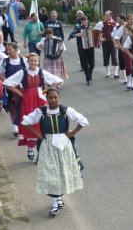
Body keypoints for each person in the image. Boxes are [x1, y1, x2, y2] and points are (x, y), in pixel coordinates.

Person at [22, 88, 88, 216]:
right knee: (49, 173)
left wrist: (72, 132)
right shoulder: (41, 111)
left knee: (62, 172)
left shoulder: (65, 110)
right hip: (48, 144)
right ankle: (54, 203)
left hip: (64, 145)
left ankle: (58, 198)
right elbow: (26, 122)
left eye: (55, 97)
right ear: (46, 98)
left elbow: (83, 121)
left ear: (59, 98)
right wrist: (38, 135)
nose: (53, 100)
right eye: (50, 97)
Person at [3, 53, 63, 161]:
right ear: (28, 61)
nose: (33, 62)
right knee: (30, 122)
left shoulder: (41, 72)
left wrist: (48, 90)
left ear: (38, 61)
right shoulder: (23, 72)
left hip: (40, 99)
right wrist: (19, 93)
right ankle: (30, 148)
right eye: (31, 60)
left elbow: (58, 81)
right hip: (27, 100)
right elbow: (7, 82)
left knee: (42, 123)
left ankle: (40, 152)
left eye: (35, 61)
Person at [0, 42, 25, 137]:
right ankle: (15, 128)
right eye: (7, 50)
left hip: (22, 87)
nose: (8, 51)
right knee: (12, 107)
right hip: (10, 88)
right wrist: (6, 80)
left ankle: (23, 126)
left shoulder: (24, 61)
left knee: (23, 107)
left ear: (16, 50)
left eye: (10, 50)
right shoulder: (5, 62)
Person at [68, 15, 95, 84]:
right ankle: (88, 78)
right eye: (82, 22)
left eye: (85, 21)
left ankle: (90, 75)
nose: (84, 23)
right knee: (85, 64)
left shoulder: (91, 28)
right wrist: (77, 35)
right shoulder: (79, 29)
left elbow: (96, 35)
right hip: (82, 48)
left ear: (87, 21)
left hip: (91, 47)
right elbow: (71, 35)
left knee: (92, 64)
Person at [94, 11, 118, 78]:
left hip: (113, 42)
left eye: (107, 16)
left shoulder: (116, 24)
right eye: (105, 15)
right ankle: (108, 72)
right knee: (106, 56)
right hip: (105, 42)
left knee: (114, 57)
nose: (106, 17)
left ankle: (116, 73)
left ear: (111, 16)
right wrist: (100, 38)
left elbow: (118, 33)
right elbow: (95, 31)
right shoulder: (101, 23)